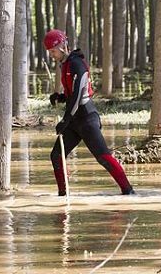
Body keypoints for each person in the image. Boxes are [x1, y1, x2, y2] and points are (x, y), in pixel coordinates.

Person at [43, 29, 135, 196]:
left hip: (86, 118)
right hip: (74, 120)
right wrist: (60, 97)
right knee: (56, 155)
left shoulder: (77, 63)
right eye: (50, 52)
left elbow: (79, 94)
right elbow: (71, 93)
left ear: (63, 46)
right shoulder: (65, 64)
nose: (52, 55)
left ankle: (128, 191)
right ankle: (63, 195)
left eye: (53, 51)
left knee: (103, 157)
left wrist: (65, 119)